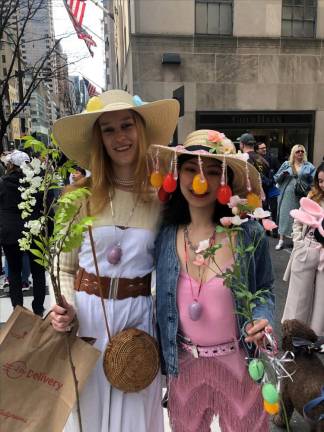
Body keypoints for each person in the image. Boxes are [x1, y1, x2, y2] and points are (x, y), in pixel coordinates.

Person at [50, 89, 179, 432]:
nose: (120, 137)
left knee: (136, 413)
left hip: (138, 320)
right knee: (90, 414)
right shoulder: (76, 198)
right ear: (99, 139)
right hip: (88, 320)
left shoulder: (161, 199)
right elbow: (63, 267)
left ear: (141, 130)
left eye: (127, 125)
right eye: (109, 129)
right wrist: (65, 307)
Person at [154, 130, 275, 432]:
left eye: (212, 172)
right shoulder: (166, 236)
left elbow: (263, 291)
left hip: (239, 365)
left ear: (226, 181)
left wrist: (262, 321)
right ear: (176, 175)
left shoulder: (247, 234)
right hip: (185, 368)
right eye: (191, 170)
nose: (200, 182)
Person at [0, 150, 46, 315]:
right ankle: (38, 308)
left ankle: (18, 309)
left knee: (14, 271)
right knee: (38, 271)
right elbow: (45, 207)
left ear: (11, 165)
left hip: (10, 233)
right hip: (34, 229)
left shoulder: (3, 183)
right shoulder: (36, 183)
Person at [282, 162, 324, 335]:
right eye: (320, 181)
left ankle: (315, 336)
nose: (322, 185)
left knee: (322, 300)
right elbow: (298, 221)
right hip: (306, 248)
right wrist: (299, 242)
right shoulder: (313, 196)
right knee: (298, 297)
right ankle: (293, 334)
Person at [273, 144, 316, 250]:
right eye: (297, 151)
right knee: (284, 216)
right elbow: (276, 178)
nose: (300, 153)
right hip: (287, 193)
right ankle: (281, 240)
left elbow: (314, 181)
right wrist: (284, 174)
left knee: (298, 218)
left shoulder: (309, 166)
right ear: (293, 153)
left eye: (302, 151)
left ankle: (295, 241)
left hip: (301, 195)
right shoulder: (287, 164)